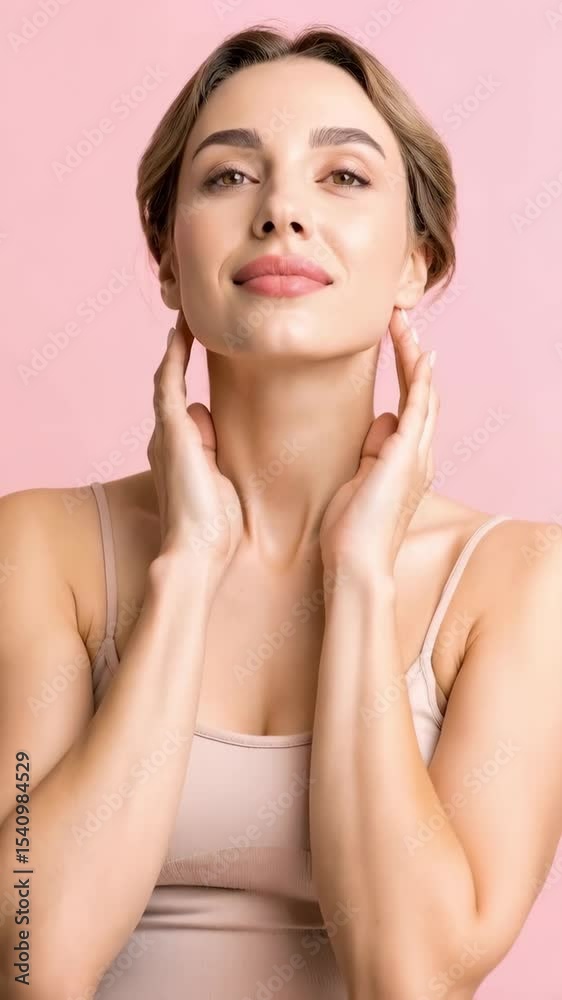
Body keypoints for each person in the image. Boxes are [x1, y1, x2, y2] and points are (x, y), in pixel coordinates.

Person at [1, 23, 561, 1000]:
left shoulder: (519, 584)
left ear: (417, 262)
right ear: (167, 260)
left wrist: (360, 578)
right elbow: (27, 957)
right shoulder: (39, 549)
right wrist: (186, 569)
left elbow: (410, 979)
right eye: (228, 176)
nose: (281, 213)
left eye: (342, 176)